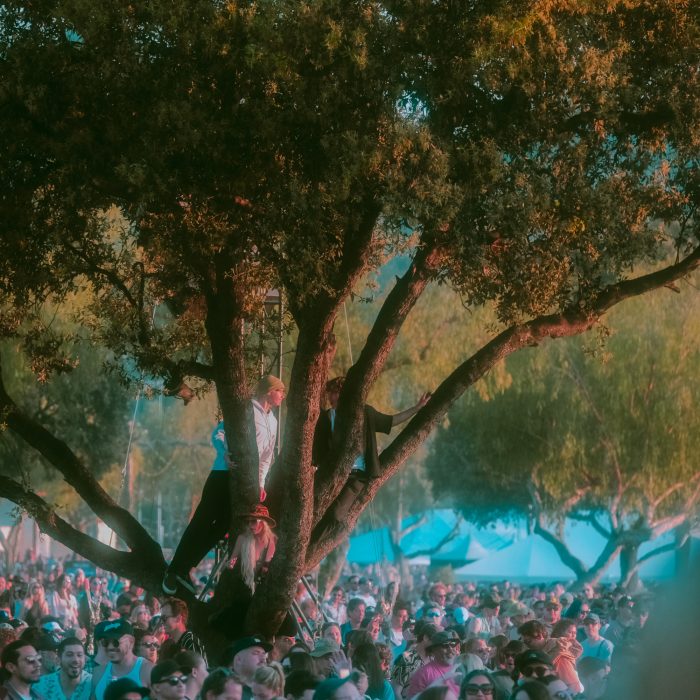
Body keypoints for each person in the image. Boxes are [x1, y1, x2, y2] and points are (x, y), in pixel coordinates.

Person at [163, 375, 285, 595]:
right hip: (222, 473)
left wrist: (260, 483)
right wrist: (224, 453)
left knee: (222, 527)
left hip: (244, 482)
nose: (282, 396)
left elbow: (267, 457)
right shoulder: (246, 410)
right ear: (269, 391)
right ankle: (174, 570)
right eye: (280, 391)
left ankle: (186, 566)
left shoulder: (274, 422)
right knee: (202, 520)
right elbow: (218, 433)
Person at [313, 377, 430, 524]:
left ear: (343, 393)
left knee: (336, 514)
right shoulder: (327, 417)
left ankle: (336, 528)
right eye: (329, 393)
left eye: (334, 392)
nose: (330, 397)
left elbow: (392, 421)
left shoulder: (365, 413)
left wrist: (417, 408)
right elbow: (320, 448)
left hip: (357, 476)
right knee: (315, 506)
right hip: (334, 473)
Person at [91, 620, 152, 700]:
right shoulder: (98, 673)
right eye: (105, 642)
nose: (110, 647)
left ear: (131, 642)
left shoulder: (148, 670)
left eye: (116, 642)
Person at [390, 621, 438, 700]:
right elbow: (395, 691)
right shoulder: (406, 659)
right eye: (436, 642)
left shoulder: (434, 660)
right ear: (426, 638)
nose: (438, 647)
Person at [406, 630, 461, 698]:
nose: (450, 649)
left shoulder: (461, 667)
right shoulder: (424, 674)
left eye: (452, 644)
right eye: (445, 645)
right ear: (434, 650)